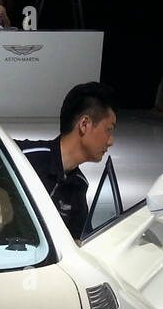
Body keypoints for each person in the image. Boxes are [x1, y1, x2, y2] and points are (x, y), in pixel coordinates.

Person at [17, 82, 117, 239]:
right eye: (108, 130)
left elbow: (78, 242)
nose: (111, 141)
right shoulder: (23, 156)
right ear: (84, 124)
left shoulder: (79, 185)